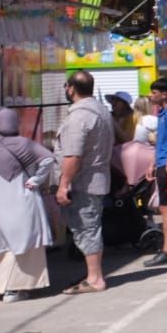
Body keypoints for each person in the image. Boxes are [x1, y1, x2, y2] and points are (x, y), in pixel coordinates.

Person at [0, 110, 57, 302]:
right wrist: (36, 180)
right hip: (20, 201)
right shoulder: (26, 144)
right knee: (24, 244)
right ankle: (14, 290)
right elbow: (49, 158)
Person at [56, 71, 115, 293]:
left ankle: (95, 278)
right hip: (97, 179)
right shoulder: (101, 110)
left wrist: (63, 185)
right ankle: (94, 273)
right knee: (90, 227)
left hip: (84, 182)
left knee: (86, 228)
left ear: (71, 88)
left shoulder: (80, 116)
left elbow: (73, 155)